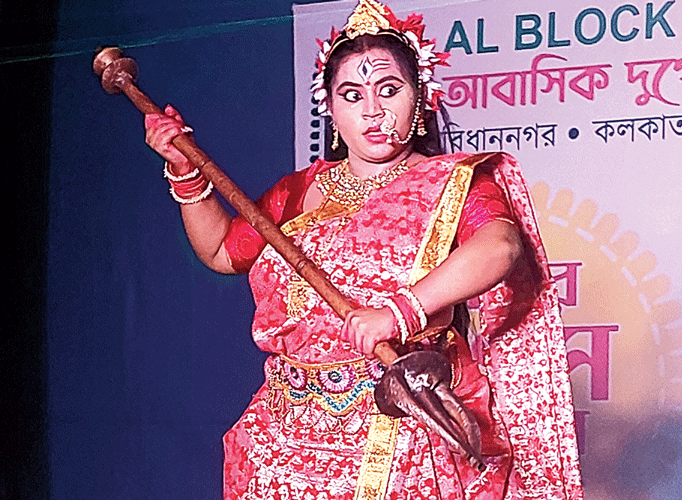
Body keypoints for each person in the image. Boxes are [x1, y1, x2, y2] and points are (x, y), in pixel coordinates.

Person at [144, 1, 583, 498]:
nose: (372, 111)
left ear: (420, 97)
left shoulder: (455, 181)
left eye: (389, 90)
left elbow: (500, 246)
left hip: (398, 431)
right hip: (281, 437)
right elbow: (224, 252)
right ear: (330, 107)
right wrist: (185, 169)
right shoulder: (298, 191)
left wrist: (398, 312)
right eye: (352, 95)